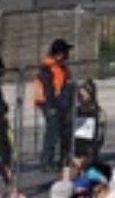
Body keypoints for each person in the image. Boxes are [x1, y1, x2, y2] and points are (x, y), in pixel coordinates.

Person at [38, 37, 76, 170]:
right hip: (50, 104)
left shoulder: (61, 67)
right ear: (59, 54)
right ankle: (46, 161)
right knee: (52, 132)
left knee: (63, 131)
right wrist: (52, 107)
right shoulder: (48, 68)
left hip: (60, 103)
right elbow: (48, 89)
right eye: (65, 52)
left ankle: (62, 159)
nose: (67, 55)